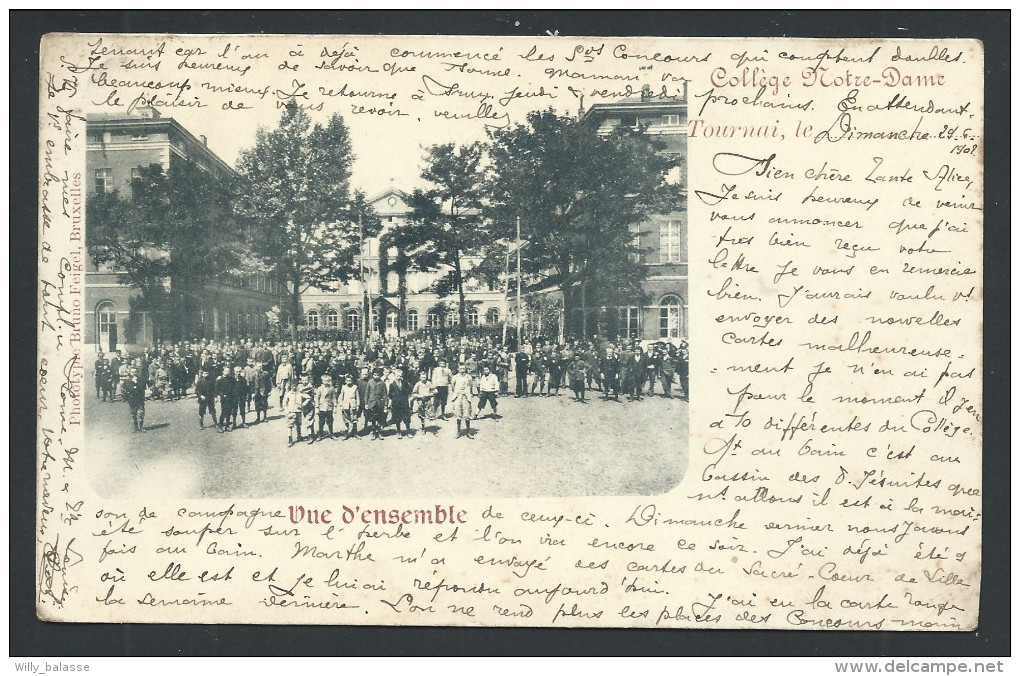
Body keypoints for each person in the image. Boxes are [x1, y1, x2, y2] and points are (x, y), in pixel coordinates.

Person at [449, 364, 476, 439]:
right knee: (458, 414)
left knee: (467, 414)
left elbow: (470, 386)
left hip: (466, 397)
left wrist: (468, 394)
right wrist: (457, 392)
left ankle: (468, 432)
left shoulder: (468, 377)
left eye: (463, 369)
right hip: (458, 396)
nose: (462, 370)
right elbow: (453, 386)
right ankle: (458, 431)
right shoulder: (455, 377)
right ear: (458, 369)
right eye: (461, 369)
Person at [387, 369, 412, 438]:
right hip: (396, 404)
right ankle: (399, 432)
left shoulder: (405, 383)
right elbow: (390, 394)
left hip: (404, 403)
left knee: (407, 418)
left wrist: (405, 391)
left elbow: (409, 391)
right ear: (395, 376)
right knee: (397, 418)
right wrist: (393, 398)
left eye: (400, 376)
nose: (399, 378)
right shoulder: (392, 384)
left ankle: (408, 431)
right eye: (398, 376)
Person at [121, 366, 146, 432]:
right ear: (130, 372)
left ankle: (141, 427)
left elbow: (142, 387)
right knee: (133, 413)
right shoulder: (127, 380)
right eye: (132, 372)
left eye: (135, 372)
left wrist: (136, 384)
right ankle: (135, 427)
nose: (134, 373)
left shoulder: (141, 379)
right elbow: (126, 388)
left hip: (140, 398)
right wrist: (133, 387)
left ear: (137, 372)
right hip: (131, 399)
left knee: (141, 412)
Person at [364, 369, 388, 440]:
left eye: (378, 375)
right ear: (372, 375)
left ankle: (379, 432)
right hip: (372, 403)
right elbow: (366, 394)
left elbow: (385, 395)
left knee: (380, 418)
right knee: (373, 418)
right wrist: (366, 403)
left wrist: (386, 405)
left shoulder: (382, 383)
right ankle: (374, 432)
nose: (376, 376)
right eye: (375, 375)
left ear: (380, 375)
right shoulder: (370, 382)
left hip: (380, 403)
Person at [314, 373, 337, 441]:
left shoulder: (331, 388)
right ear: (322, 381)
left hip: (329, 407)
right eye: (324, 381)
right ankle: (320, 435)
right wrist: (317, 407)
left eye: (327, 381)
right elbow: (317, 398)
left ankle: (331, 434)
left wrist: (335, 406)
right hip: (322, 407)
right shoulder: (320, 388)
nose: (326, 382)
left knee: (330, 421)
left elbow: (334, 398)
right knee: (321, 422)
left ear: (329, 381)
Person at [215, 365, 238, 432]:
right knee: (224, 412)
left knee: (229, 412)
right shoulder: (220, 380)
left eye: (228, 371)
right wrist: (220, 395)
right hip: (224, 398)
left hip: (231, 397)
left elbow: (234, 387)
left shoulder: (232, 379)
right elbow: (216, 389)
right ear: (223, 372)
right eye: (226, 371)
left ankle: (227, 425)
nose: (227, 372)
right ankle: (220, 425)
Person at [338, 374, 361, 439]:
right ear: (345, 381)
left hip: (353, 405)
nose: (349, 382)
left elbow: (357, 397)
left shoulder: (355, 387)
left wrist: (358, 405)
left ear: (352, 381)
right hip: (345, 405)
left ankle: (355, 432)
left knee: (354, 419)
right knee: (346, 419)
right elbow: (341, 396)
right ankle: (346, 433)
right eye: (347, 380)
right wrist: (340, 404)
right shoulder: (343, 387)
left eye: (350, 380)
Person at [283, 381, 303, 447]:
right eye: (292, 386)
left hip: (298, 411)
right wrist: (287, 412)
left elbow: (304, 400)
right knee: (290, 425)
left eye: (295, 386)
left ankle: (299, 436)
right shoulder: (288, 394)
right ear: (290, 386)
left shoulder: (300, 394)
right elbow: (284, 404)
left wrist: (302, 406)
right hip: (291, 412)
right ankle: (290, 439)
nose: (293, 387)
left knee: (299, 424)